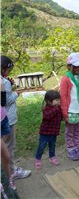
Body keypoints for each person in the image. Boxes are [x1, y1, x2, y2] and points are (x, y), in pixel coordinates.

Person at [1, 56, 31, 190]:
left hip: (4, 118)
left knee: (6, 147)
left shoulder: (4, 81)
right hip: (7, 119)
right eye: (8, 69)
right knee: (8, 148)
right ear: (2, 69)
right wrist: (16, 93)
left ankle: (10, 171)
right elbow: (6, 101)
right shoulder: (4, 82)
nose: (9, 72)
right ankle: (10, 174)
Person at [60, 52, 79, 161]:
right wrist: (65, 113)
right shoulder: (66, 79)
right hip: (71, 110)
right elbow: (63, 96)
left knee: (77, 130)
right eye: (75, 66)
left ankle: (76, 147)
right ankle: (70, 148)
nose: (78, 68)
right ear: (69, 66)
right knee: (69, 131)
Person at [34, 90, 62, 170]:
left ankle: (52, 157)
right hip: (45, 132)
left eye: (59, 99)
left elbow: (60, 117)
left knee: (52, 145)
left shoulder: (57, 107)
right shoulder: (46, 109)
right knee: (41, 146)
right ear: (49, 101)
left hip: (53, 132)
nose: (58, 101)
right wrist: (56, 108)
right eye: (56, 100)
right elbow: (47, 116)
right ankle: (38, 159)